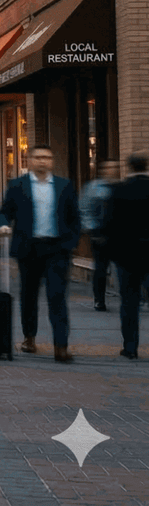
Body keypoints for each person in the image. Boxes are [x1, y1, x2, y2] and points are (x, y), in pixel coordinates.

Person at [0, 144, 83, 363]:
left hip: (57, 250)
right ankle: (29, 337)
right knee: (29, 295)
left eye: (47, 157)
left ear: (52, 161)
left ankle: (61, 345)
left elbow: (75, 217)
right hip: (29, 249)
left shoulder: (64, 185)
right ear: (29, 161)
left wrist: (71, 242)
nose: (43, 161)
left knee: (57, 297)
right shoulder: (18, 185)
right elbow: (5, 211)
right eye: (38, 157)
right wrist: (4, 225)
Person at [105, 153, 149, 360]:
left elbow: (110, 224)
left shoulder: (118, 190)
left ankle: (130, 347)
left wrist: (114, 254)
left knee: (129, 303)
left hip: (126, 257)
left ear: (129, 168)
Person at [81, 160, 120, 312]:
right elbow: (84, 208)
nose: (112, 170)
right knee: (101, 269)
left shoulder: (120, 187)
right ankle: (99, 299)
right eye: (108, 167)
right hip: (100, 235)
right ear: (102, 170)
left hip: (119, 236)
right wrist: (92, 229)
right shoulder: (93, 187)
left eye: (114, 167)